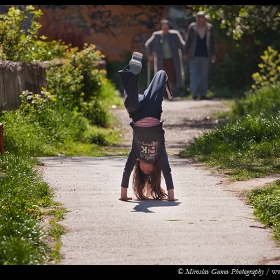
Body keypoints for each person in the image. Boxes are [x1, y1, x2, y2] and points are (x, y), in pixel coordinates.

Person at [118, 51, 177, 201]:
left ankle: (133, 70)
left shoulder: (136, 154)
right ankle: (168, 93)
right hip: (153, 110)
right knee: (162, 74)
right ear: (155, 167)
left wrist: (123, 196)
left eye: (143, 171)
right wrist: (171, 196)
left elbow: (126, 170)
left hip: (137, 114)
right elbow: (167, 170)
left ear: (138, 166)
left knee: (129, 99)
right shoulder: (159, 154)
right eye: (150, 171)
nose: (146, 169)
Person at [145, 18, 186, 90]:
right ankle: (163, 91)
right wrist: (150, 54)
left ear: (169, 27)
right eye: (163, 28)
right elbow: (148, 44)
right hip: (161, 60)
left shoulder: (175, 34)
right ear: (161, 28)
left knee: (171, 76)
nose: (165, 29)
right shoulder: (156, 35)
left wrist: (184, 54)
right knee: (162, 76)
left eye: (166, 28)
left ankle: (169, 91)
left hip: (173, 59)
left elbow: (182, 45)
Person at [184, 11, 216, 100]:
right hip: (193, 55)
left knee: (204, 75)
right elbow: (188, 41)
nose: (201, 19)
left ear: (205, 18)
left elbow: (212, 42)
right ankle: (194, 94)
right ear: (197, 18)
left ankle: (203, 94)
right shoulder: (192, 27)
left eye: (203, 17)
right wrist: (185, 53)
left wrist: (213, 55)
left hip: (206, 55)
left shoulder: (209, 28)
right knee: (194, 75)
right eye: (199, 17)